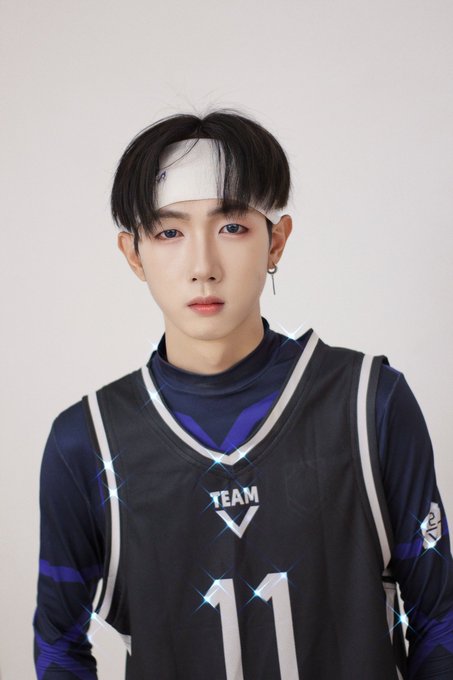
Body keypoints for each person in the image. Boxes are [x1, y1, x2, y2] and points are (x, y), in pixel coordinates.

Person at [33, 109, 453, 679]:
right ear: (133, 254)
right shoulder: (87, 444)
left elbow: (438, 621)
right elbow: (58, 645)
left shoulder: (369, 405)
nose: (202, 267)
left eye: (231, 226)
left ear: (276, 241)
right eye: (169, 232)